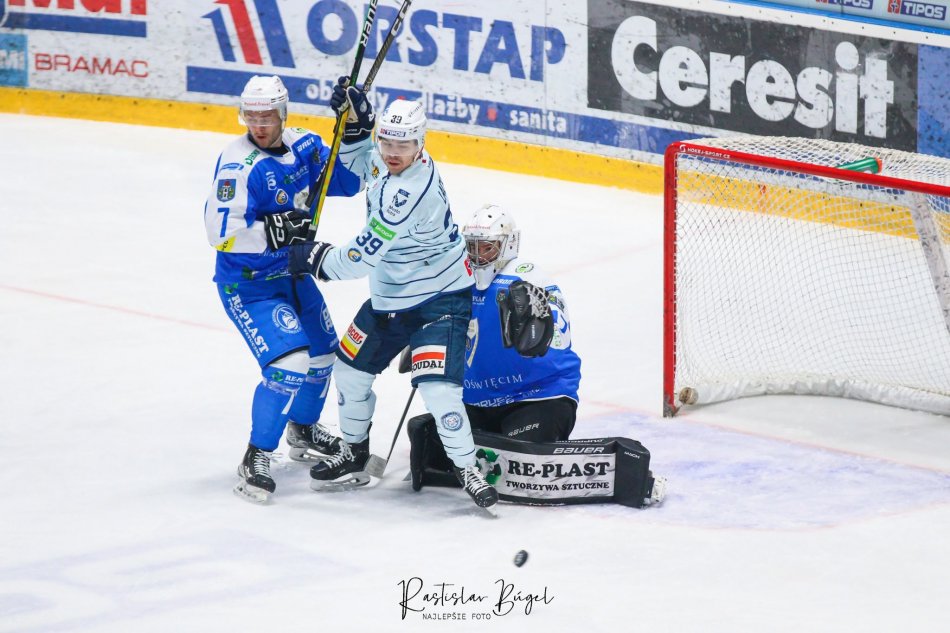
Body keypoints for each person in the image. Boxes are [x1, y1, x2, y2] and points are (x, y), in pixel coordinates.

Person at [280, 77, 498, 511]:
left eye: (404, 145)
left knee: (438, 389)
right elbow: (363, 167)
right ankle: (354, 453)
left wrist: (314, 257)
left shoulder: (410, 192)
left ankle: (468, 467)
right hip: (390, 299)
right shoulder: (388, 158)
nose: (393, 153)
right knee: (349, 372)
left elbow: (360, 257)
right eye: (387, 142)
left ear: (421, 144)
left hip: (439, 299)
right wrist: (358, 128)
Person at [203, 75, 362, 503]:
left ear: (283, 113)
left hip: (293, 275)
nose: (259, 125)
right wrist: (274, 231)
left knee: (324, 356)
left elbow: (349, 182)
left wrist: (355, 131)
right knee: (290, 365)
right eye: (251, 117)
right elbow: (219, 233)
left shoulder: (305, 146)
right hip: (251, 286)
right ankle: (256, 455)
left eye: (267, 116)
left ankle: (304, 430)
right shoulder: (238, 166)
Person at [405, 204, 583, 488]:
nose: (477, 256)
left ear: (508, 245)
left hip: (536, 397)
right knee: (426, 438)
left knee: (522, 459)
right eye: (471, 247)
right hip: (475, 400)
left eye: (486, 248)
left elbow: (560, 336)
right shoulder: (457, 281)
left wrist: (540, 325)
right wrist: (424, 339)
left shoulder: (528, 277)